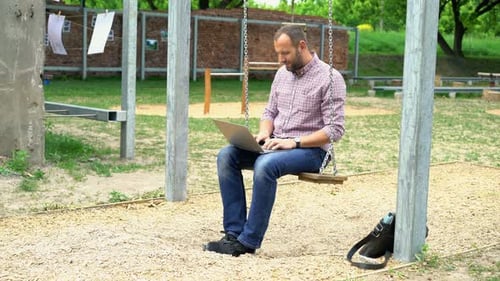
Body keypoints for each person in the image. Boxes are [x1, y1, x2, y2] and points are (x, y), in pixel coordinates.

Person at [204, 25, 346, 256]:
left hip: (312, 151)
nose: (281, 59)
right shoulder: (282, 74)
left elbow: (335, 129)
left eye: (285, 53)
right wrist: (263, 134)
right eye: (278, 53)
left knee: (265, 165)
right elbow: (270, 112)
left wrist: (295, 142)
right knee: (226, 155)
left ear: (302, 46)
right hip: (276, 145)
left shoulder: (330, 78)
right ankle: (233, 233)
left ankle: (248, 242)